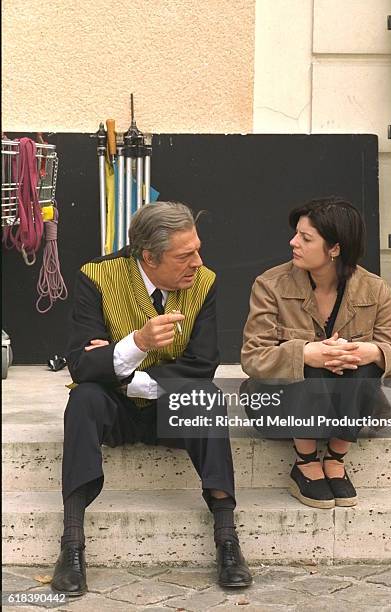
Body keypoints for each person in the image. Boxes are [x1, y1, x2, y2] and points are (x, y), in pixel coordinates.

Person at [51, 202, 252, 597]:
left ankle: (227, 538)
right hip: (114, 412)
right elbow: (80, 365)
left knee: (208, 399)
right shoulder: (97, 277)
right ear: (148, 256)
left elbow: (203, 364)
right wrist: (139, 342)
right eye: (184, 255)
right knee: (85, 400)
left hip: (165, 407)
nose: (197, 261)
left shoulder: (205, 282)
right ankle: (71, 544)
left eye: (197, 248)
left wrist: (121, 371)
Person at [241, 197, 391, 510]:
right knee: (313, 357)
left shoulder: (375, 289)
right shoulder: (270, 285)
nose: (293, 242)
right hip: (281, 405)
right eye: (296, 234)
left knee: (363, 358)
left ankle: (335, 457)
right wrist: (304, 354)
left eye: (306, 238)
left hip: (346, 406)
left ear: (335, 249)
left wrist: (372, 351)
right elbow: (253, 358)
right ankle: (305, 462)